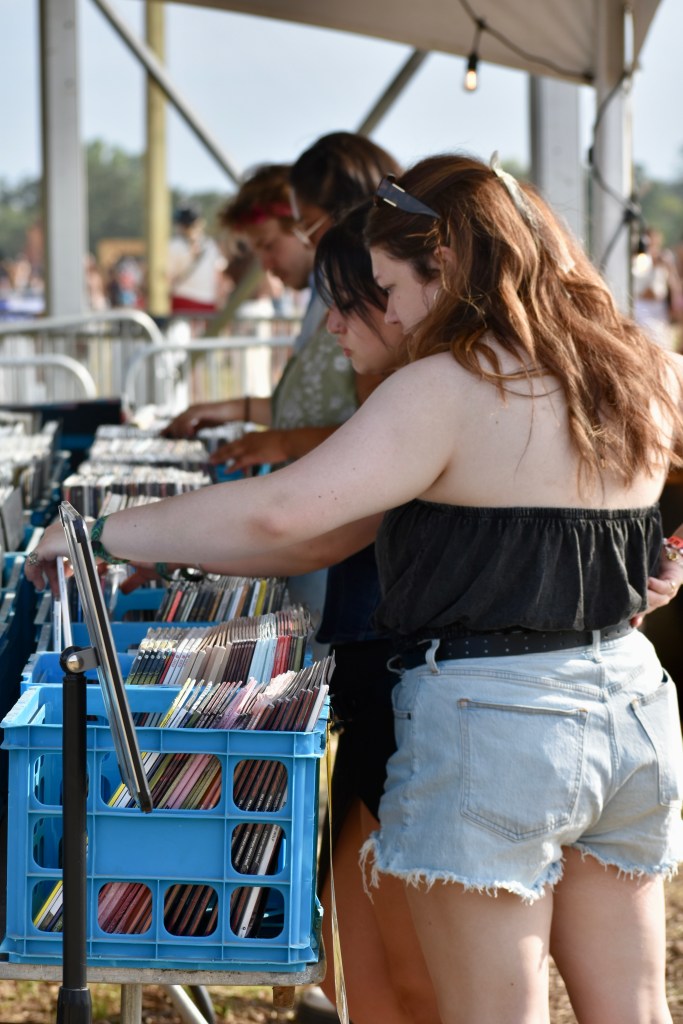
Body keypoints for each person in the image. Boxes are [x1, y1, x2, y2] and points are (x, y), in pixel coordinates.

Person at [27, 152, 683, 1024]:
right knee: (634, 1008)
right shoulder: (640, 366)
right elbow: (328, 532)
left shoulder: (446, 387)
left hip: (496, 724)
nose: (390, 311)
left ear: (443, 262)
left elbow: (283, 514)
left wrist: (99, 532)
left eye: (390, 285)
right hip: (631, 706)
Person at [168, 204, 227, 317]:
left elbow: (167, 276)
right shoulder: (210, 245)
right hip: (208, 303)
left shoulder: (174, 245)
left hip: (182, 300)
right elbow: (220, 275)